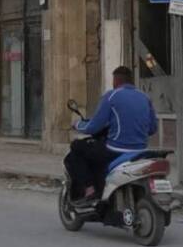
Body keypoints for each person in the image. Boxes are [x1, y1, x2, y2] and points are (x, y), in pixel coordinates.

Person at [64, 66, 158, 204]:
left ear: (116, 81)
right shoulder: (145, 97)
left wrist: (77, 124)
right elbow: (152, 129)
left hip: (116, 150)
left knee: (77, 147)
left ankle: (89, 189)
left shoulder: (111, 96)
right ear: (131, 80)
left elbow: (93, 127)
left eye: (113, 82)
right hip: (141, 150)